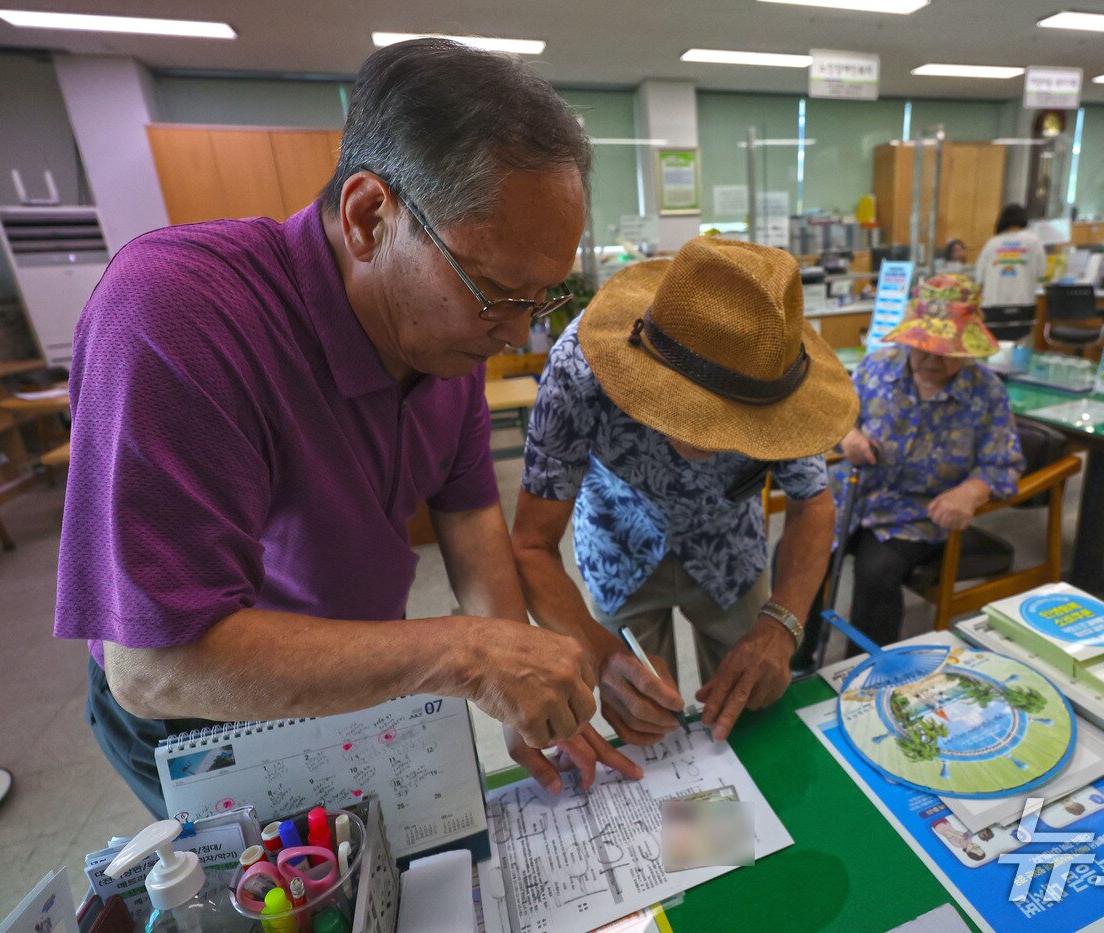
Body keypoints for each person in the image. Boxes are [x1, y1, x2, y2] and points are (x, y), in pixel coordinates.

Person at [52, 38, 635, 815]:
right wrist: (468, 653)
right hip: (205, 716)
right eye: (497, 291)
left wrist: (512, 684)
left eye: (544, 298)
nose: (518, 333)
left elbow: (469, 521)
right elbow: (157, 666)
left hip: (364, 669)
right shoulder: (176, 312)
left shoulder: (445, 339)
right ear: (369, 216)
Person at [512, 237, 859, 744]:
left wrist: (781, 627)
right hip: (617, 548)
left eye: (738, 424)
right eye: (691, 412)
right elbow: (530, 543)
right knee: (640, 715)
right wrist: (599, 654)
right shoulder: (580, 367)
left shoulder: (778, 377)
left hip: (730, 553)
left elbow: (813, 507)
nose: (709, 442)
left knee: (751, 708)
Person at [833, 275, 1026, 647]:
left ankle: (866, 669)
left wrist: (971, 492)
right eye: (923, 346)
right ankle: (796, 660)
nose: (932, 359)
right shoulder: (876, 368)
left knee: (877, 571)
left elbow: (1003, 462)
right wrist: (848, 435)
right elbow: (839, 416)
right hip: (852, 493)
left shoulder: (986, 392)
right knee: (798, 554)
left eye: (946, 350)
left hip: (915, 512)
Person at [974, 204, 1046, 310]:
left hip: (992, 304)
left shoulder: (992, 243)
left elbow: (979, 276)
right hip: (1023, 303)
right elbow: (1042, 273)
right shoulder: (1033, 241)